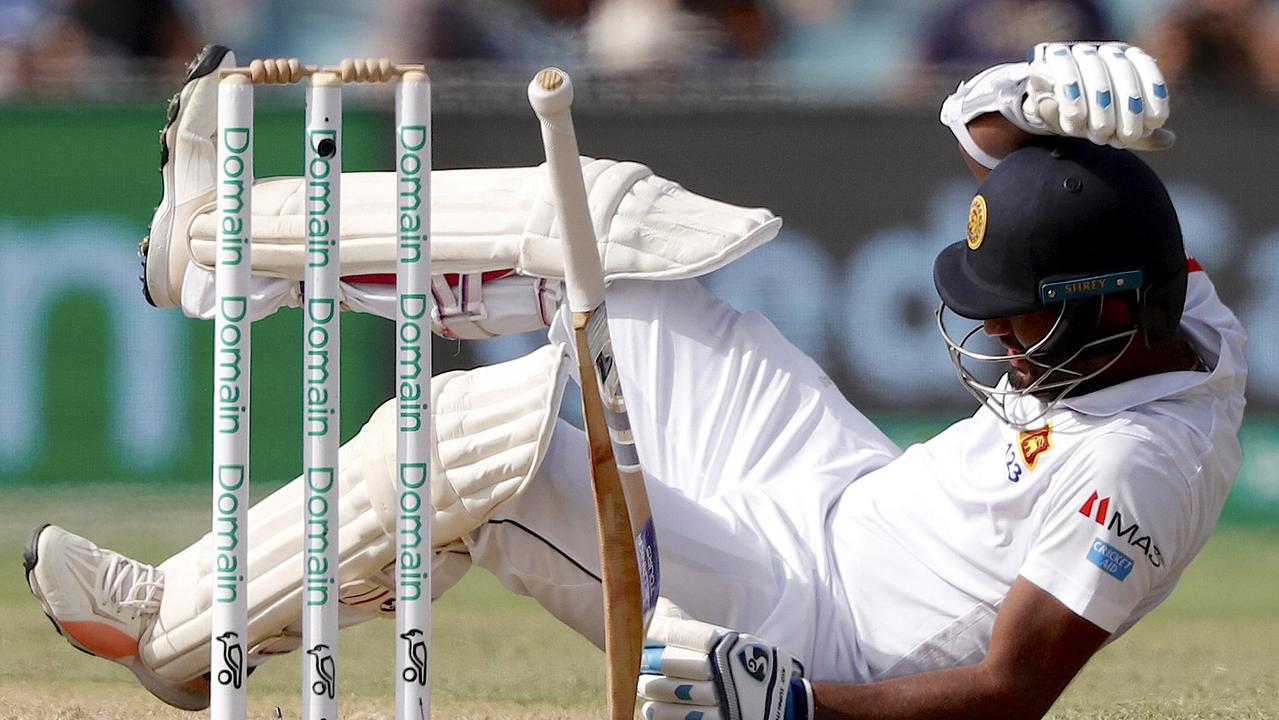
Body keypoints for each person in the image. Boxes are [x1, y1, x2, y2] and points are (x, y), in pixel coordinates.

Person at [23, 42, 1245, 720]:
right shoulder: (1166, 298)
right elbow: (1042, 185)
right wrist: (1015, 93)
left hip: (811, 627)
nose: (1004, 347)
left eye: (1026, 324)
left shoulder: (1140, 463)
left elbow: (1005, 695)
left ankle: (171, 626)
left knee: (469, 446)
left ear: (1109, 314)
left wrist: (796, 709)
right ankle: (225, 240)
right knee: (604, 232)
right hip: (834, 495)